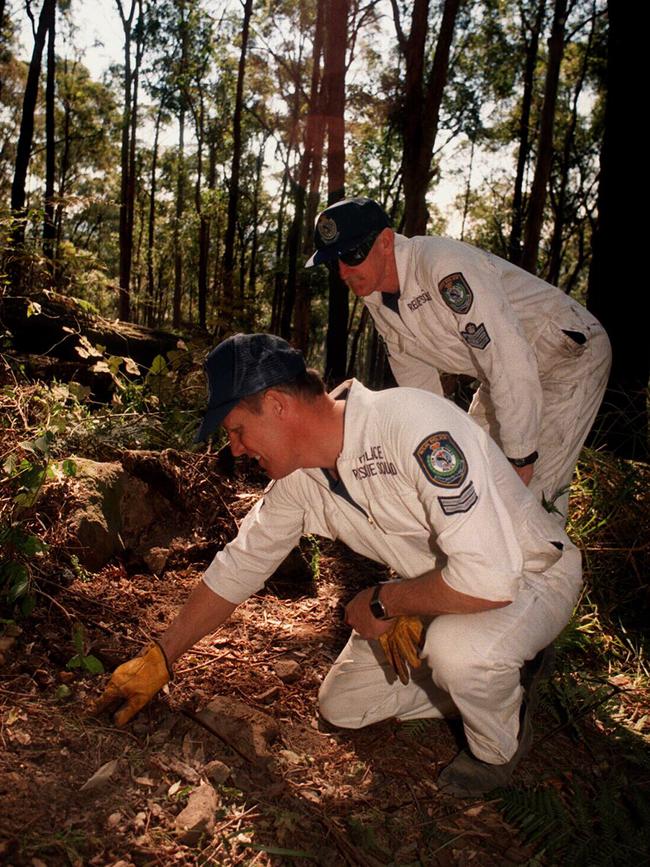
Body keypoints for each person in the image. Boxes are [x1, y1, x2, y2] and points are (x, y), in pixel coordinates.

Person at [92, 333, 582, 798]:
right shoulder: (302, 478)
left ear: (279, 406)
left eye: (238, 430)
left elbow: (490, 578)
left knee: (462, 655)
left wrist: (385, 600)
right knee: (344, 706)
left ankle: (497, 745)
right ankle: (497, 682)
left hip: (527, 577)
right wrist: (163, 656)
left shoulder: (412, 426)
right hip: (441, 589)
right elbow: (239, 566)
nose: (236, 449)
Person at [306, 197, 612, 520]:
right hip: (502, 374)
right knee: (468, 474)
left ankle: (549, 567)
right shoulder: (377, 300)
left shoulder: (441, 265)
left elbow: (508, 354)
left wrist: (520, 458)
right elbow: (419, 385)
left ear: (385, 241)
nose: (342, 271)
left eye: (351, 255)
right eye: (333, 260)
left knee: (530, 501)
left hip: (567, 354)